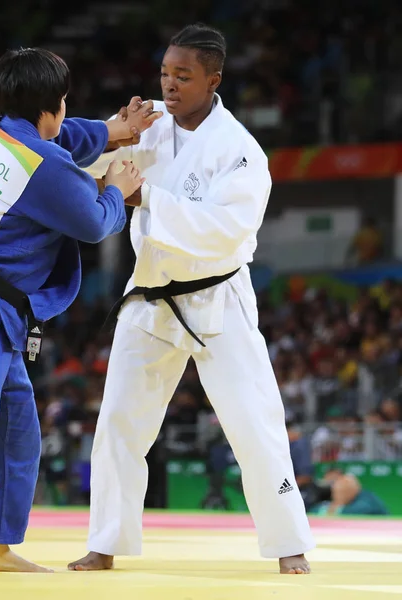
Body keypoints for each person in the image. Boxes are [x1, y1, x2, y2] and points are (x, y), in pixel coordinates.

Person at [0, 47, 161, 582]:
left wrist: (112, 130)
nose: (66, 114)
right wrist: (116, 189)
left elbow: (62, 140)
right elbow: (92, 222)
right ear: (52, 106)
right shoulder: (40, 165)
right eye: (64, 103)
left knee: (17, 431)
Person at [68, 23, 315, 575]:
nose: (170, 84)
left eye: (183, 75)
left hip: (216, 298)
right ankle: (104, 543)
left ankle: (288, 542)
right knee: (119, 423)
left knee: (253, 423)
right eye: (164, 73)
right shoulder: (147, 122)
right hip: (150, 295)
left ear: (214, 80)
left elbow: (226, 232)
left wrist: (146, 195)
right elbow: (89, 175)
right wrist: (110, 134)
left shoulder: (241, 152)